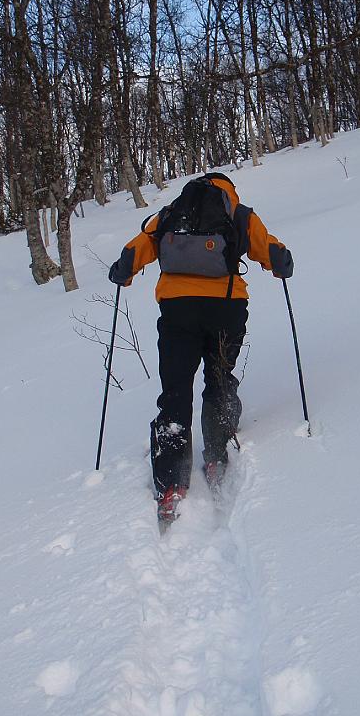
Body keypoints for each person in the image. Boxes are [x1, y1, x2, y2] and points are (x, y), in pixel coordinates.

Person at [109, 172, 293, 525]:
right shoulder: (238, 212)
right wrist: (281, 263)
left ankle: (171, 481)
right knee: (219, 377)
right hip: (226, 308)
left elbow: (140, 246)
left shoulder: (170, 213)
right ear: (228, 189)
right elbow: (265, 246)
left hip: (177, 310)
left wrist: (123, 271)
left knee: (175, 390)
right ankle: (216, 455)